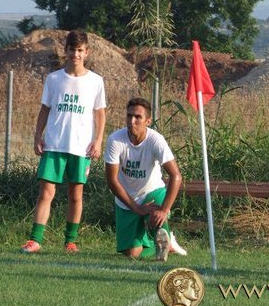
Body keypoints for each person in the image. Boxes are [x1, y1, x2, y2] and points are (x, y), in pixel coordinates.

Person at [20, 30, 106, 254]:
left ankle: (70, 241)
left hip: (81, 148)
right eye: (72, 50)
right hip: (54, 145)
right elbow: (45, 109)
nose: (75, 54)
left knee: (75, 196)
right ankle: (35, 240)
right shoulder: (54, 79)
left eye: (80, 50)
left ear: (87, 52)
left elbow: (100, 113)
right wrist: (38, 136)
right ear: (65, 51)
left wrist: (98, 141)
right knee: (45, 194)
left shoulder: (95, 81)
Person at [104, 97, 187, 260]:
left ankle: (163, 236)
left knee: (157, 212)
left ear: (148, 121)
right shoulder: (115, 140)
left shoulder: (156, 140)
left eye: (138, 117)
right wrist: (136, 207)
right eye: (129, 116)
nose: (132, 121)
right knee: (132, 255)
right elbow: (112, 180)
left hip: (152, 192)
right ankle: (163, 244)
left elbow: (176, 176)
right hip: (127, 200)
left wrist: (164, 210)